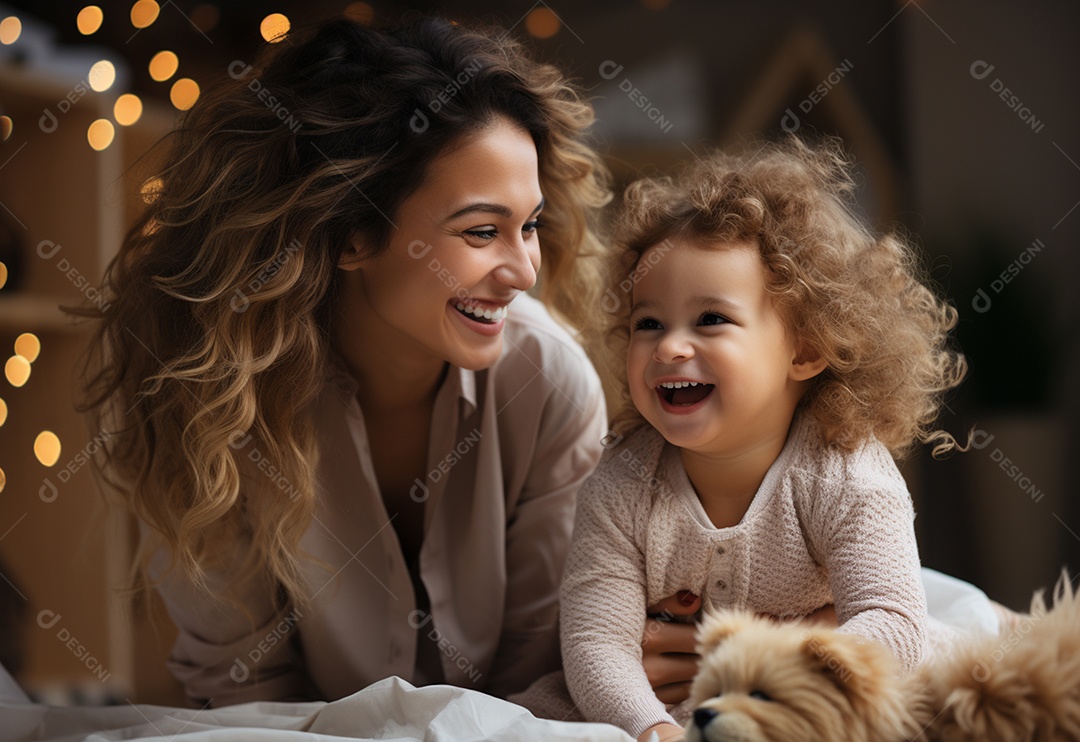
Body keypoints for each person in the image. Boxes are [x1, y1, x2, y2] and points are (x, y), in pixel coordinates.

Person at [74, 15, 631, 707]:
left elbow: (539, 682)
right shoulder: (211, 394)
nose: (522, 272)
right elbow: (244, 692)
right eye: (482, 231)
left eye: (531, 226)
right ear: (351, 233)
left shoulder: (548, 385)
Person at [554, 137, 973, 742]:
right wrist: (650, 729)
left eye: (711, 319)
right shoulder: (621, 486)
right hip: (672, 711)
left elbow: (893, 625)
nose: (669, 346)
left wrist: (772, 681)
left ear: (805, 349)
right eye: (649, 322)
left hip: (812, 708)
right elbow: (595, 641)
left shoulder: (846, 474)